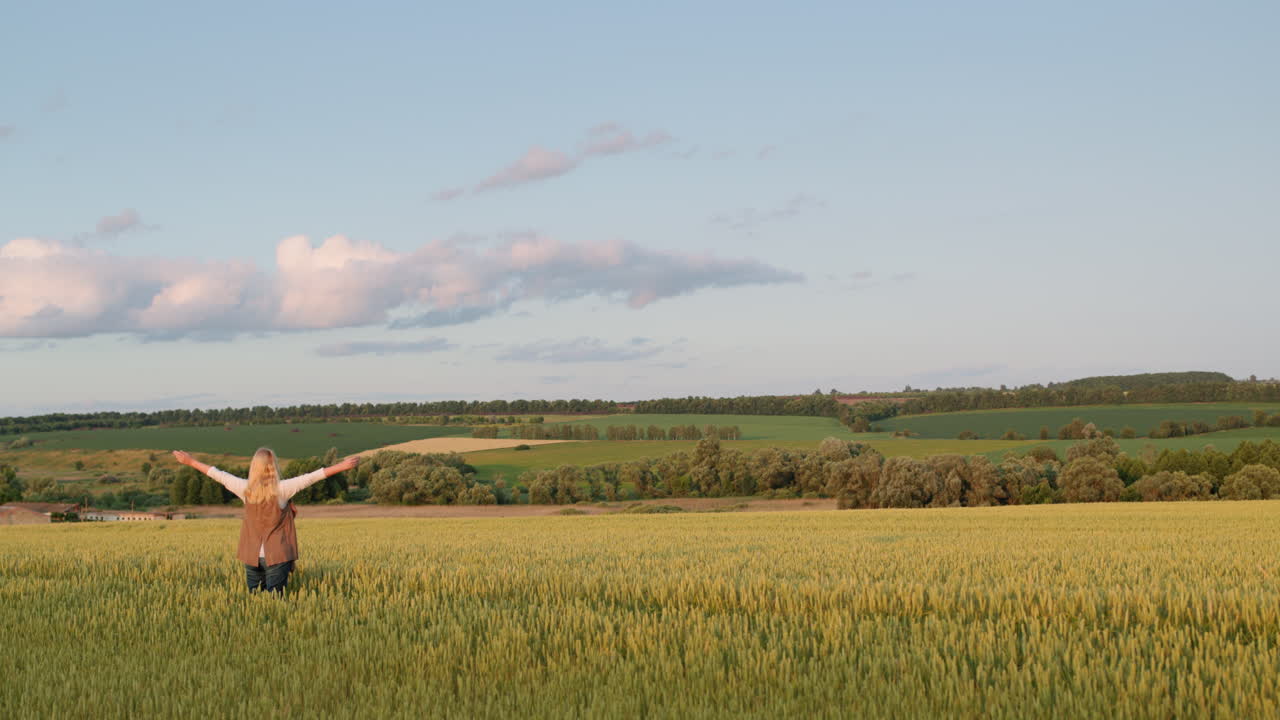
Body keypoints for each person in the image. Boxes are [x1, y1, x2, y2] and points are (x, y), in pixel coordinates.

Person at [171, 447, 359, 594]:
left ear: (254, 467)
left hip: (251, 555)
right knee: (275, 603)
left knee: (256, 605)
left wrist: (189, 461)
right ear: (273, 466)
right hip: (277, 555)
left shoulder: (244, 488)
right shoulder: (283, 489)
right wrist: (343, 466)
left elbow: (216, 474)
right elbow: (312, 477)